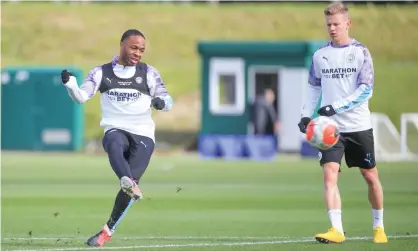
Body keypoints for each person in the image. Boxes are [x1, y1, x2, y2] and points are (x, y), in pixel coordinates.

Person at [61, 29, 173, 247]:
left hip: (143, 134)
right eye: (134, 47)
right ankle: (127, 181)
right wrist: (71, 85)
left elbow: (167, 99)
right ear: (121, 45)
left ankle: (107, 230)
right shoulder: (101, 72)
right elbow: (81, 97)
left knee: (131, 186)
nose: (138, 53)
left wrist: (162, 103)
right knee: (113, 142)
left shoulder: (148, 73)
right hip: (116, 128)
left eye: (141, 49)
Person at [298, 2, 387, 244]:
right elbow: (313, 87)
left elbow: (366, 90)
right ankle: (336, 229)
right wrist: (306, 114)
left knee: (370, 176)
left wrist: (336, 106)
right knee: (329, 176)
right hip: (330, 129)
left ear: (348, 24)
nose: (332, 28)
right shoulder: (320, 55)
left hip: (358, 125)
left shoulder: (360, 53)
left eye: (336, 24)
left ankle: (378, 227)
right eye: (329, 24)